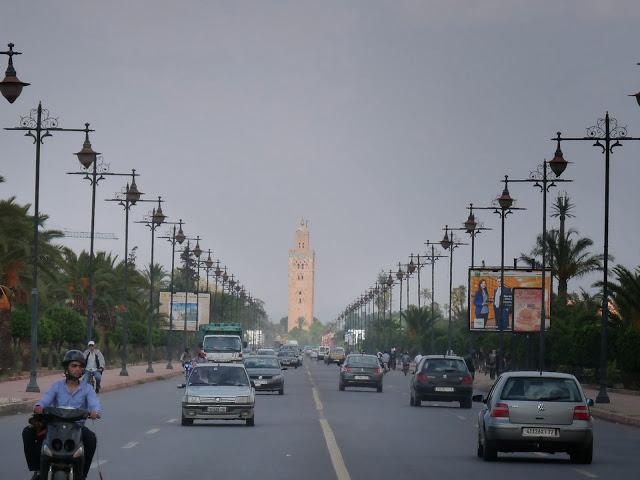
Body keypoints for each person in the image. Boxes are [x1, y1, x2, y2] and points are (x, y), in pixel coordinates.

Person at [22, 349, 101, 480]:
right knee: (27, 432)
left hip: (76, 428)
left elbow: (95, 405)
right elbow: (45, 400)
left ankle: (82, 475)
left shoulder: (88, 388)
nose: (77, 369)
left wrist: (95, 412)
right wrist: (39, 407)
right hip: (54, 426)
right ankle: (37, 469)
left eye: (80, 366)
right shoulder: (56, 386)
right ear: (66, 367)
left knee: (91, 439)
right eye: (74, 365)